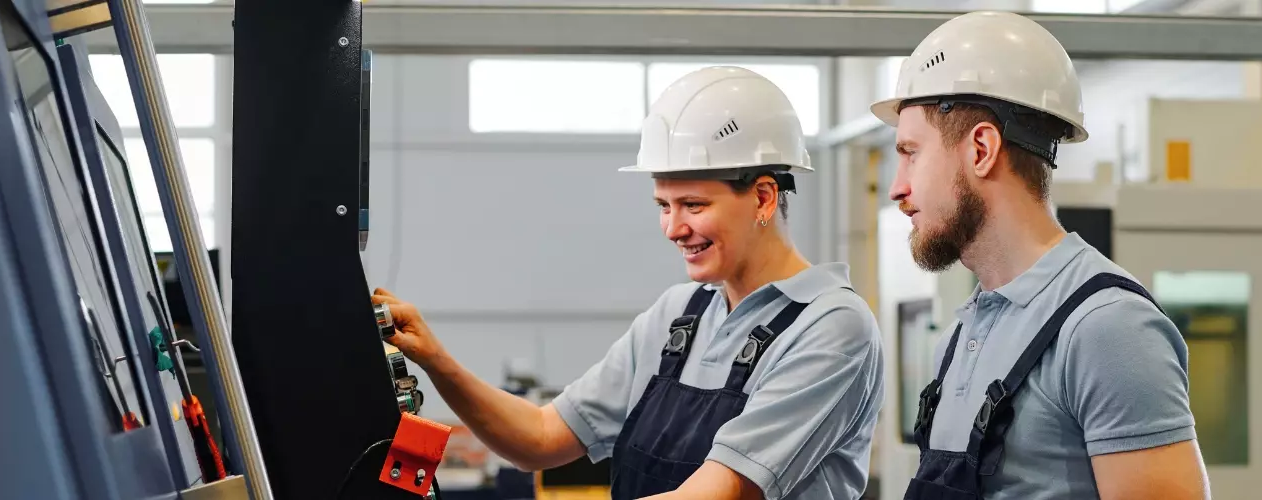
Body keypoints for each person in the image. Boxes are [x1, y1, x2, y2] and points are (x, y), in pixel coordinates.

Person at [373, 66, 884, 500]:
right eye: (664, 205)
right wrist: (435, 359)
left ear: (764, 198)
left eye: (694, 205)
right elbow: (542, 436)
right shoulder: (678, 316)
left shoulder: (832, 328)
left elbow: (718, 492)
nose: (673, 228)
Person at [873, 11, 1210, 500]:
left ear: (982, 149)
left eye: (911, 153)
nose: (897, 188)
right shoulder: (963, 334)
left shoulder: (1107, 330)